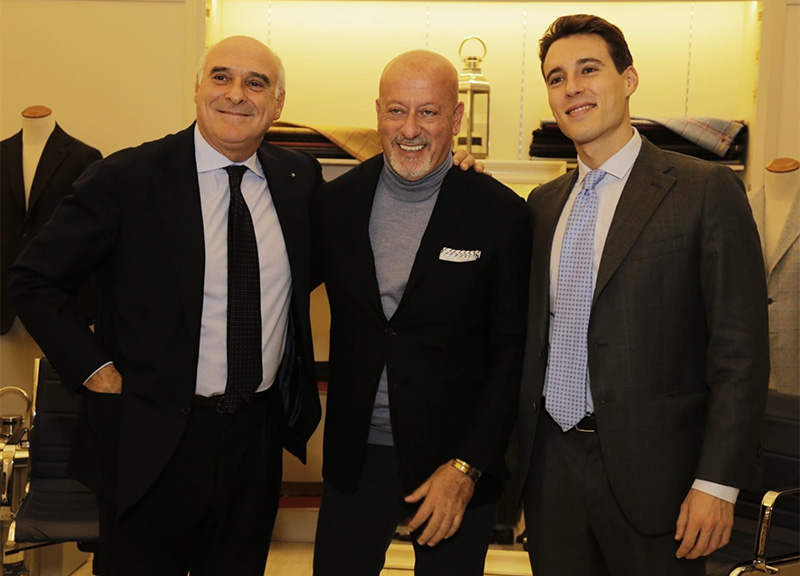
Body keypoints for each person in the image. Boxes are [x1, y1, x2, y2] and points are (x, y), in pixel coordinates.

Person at [8, 36, 322, 576]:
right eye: (221, 77)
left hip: (254, 442)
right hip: (148, 439)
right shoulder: (126, 178)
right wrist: (95, 370)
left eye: (256, 83)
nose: (236, 94)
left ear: (278, 103)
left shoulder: (300, 179)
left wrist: (451, 172)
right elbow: (33, 280)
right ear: (197, 87)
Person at [515, 14, 770, 576]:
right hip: (551, 470)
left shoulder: (705, 190)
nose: (572, 87)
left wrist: (717, 483)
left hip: (662, 480)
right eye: (556, 78)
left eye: (588, 69)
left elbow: (741, 353)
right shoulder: (542, 205)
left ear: (628, 79)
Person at [311, 50, 531, 576]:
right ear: (378, 113)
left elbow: (512, 354)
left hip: (452, 464)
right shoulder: (335, 204)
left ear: (456, 118)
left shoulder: (500, 213)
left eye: (428, 112)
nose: (410, 129)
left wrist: (467, 466)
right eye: (396, 111)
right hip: (355, 457)